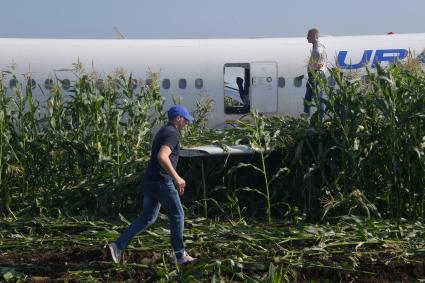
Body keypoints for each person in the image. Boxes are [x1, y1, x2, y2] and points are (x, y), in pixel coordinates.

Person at [106, 105, 197, 265]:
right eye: (185, 120)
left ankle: (118, 246)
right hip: (161, 182)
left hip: (149, 181)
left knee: (148, 217)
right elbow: (162, 156)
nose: (186, 123)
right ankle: (180, 255)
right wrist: (176, 177)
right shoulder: (173, 133)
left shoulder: (164, 130)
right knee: (177, 215)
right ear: (178, 118)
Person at [304, 28, 327, 116]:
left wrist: (317, 63)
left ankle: (309, 117)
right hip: (315, 74)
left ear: (314, 36)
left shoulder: (318, 47)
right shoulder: (318, 46)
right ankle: (314, 116)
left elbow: (318, 52)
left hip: (316, 74)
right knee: (313, 98)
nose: (307, 38)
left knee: (312, 98)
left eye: (308, 36)